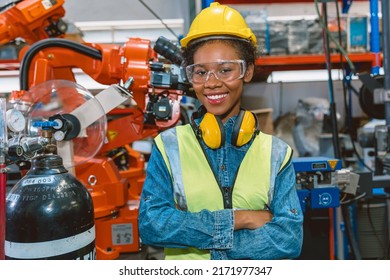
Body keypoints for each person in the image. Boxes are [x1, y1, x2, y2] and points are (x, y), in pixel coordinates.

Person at [138, 2, 303, 260]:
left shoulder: (276, 153)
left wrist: (203, 244)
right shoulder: (168, 147)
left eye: (226, 70)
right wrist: (242, 219)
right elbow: (152, 225)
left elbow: (288, 239)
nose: (212, 83)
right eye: (200, 72)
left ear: (247, 71)